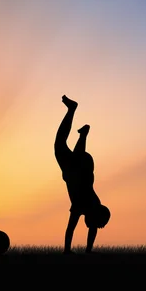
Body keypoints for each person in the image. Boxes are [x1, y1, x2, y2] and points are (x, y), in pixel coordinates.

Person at [55, 95, 110, 255]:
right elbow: (71, 228)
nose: (91, 226)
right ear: (94, 215)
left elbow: (92, 229)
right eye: (95, 223)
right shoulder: (84, 205)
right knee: (61, 145)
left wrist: (88, 251)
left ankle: (82, 134)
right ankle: (78, 123)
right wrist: (67, 250)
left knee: (65, 147)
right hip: (78, 169)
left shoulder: (94, 206)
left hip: (81, 168)